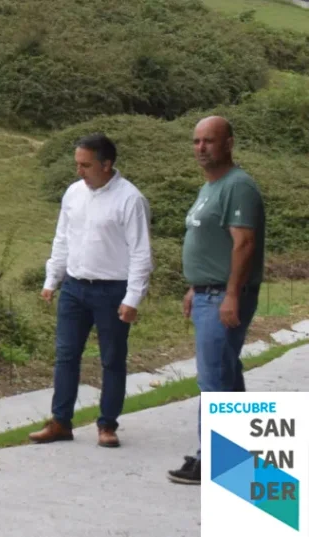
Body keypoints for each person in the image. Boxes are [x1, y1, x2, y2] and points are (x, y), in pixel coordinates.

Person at [29, 133, 154, 448]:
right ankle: (61, 422)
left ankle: (107, 425)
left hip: (112, 290)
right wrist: (51, 279)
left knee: (112, 358)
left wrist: (133, 298)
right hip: (74, 287)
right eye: (77, 164)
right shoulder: (73, 194)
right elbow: (63, 238)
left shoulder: (130, 199)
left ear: (107, 164)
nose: (79, 171)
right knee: (66, 355)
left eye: (86, 165)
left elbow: (141, 253)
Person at [167, 116, 265, 485]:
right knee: (227, 376)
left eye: (209, 140)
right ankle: (240, 459)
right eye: (196, 141)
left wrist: (230, 295)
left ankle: (209, 460)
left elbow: (244, 244)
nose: (201, 147)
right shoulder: (210, 186)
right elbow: (213, 245)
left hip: (223, 297)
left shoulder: (238, 186)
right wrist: (196, 285)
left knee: (214, 381)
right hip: (207, 292)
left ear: (228, 143)